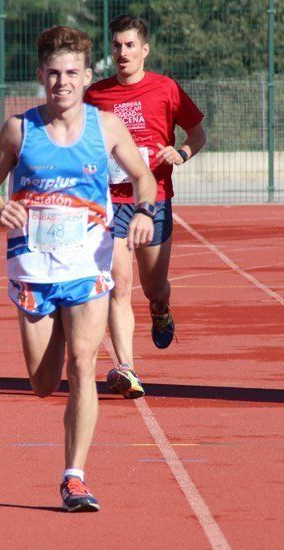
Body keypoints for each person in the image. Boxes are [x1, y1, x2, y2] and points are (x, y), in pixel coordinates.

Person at [0, 26, 156, 512]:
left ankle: (74, 477)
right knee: (42, 384)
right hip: (33, 269)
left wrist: (142, 212)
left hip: (87, 265)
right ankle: (53, 333)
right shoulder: (20, 129)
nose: (62, 82)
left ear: (87, 76)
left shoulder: (107, 127)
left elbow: (143, 177)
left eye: (72, 73)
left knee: (83, 364)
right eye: (53, 74)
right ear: (40, 76)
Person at [84, 15, 207, 399]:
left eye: (130, 45)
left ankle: (161, 307)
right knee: (119, 286)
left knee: (154, 287)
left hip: (152, 200)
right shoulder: (96, 95)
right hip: (110, 202)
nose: (122, 52)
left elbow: (197, 133)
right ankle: (127, 368)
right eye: (117, 45)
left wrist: (181, 152)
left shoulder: (165, 89)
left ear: (144, 50)